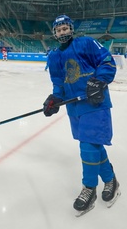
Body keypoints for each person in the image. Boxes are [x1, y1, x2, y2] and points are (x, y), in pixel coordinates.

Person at [42, 15, 120, 216]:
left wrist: (99, 81)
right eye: (59, 30)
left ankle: (89, 188)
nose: (62, 33)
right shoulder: (53, 57)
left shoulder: (86, 42)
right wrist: (54, 99)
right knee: (93, 145)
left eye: (65, 28)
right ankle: (111, 179)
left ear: (71, 29)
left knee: (87, 145)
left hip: (95, 103)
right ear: (54, 33)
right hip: (75, 108)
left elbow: (107, 61)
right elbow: (59, 83)